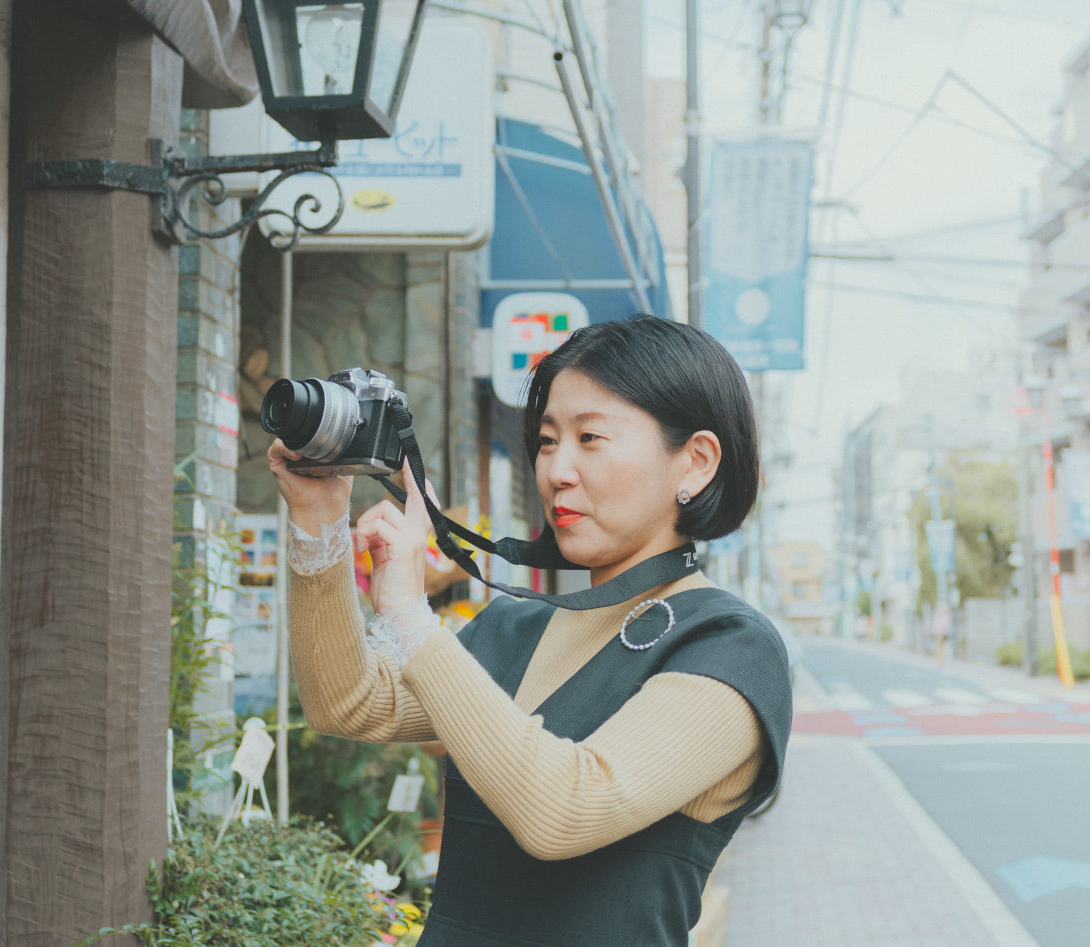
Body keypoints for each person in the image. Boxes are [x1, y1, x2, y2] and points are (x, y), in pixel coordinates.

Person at [268, 315, 792, 946]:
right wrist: (318, 521)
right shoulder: (517, 626)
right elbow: (346, 703)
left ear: (696, 463)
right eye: (547, 440)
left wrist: (410, 614)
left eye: (590, 437)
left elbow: (566, 811)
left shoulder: (730, 646)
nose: (557, 470)